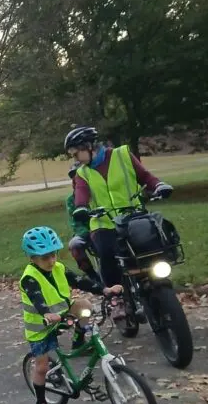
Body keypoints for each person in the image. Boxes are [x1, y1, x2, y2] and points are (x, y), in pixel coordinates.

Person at [64, 127, 173, 318]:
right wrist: (81, 208)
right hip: (102, 223)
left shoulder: (123, 155)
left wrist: (159, 185)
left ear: (88, 146)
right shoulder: (82, 173)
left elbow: (145, 177)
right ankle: (117, 299)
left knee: (153, 243)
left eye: (76, 153)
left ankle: (156, 282)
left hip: (133, 216)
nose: (76, 159)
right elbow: (81, 193)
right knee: (106, 253)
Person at [19, 226, 122, 404]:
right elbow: (37, 298)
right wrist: (46, 313)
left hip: (62, 314)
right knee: (41, 367)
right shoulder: (29, 278)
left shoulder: (58, 268)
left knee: (85, 305)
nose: (51, 261)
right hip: (41, 327)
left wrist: (105, 289)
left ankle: (78, 340)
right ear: (32, 258)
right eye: (44, 258)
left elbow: (80, 281)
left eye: (53, 255)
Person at [65, 163, 102, 285]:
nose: (76, 179)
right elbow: (75, 222)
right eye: (73, 177)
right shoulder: (71, 200)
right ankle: (93, 276)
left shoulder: (98, 192)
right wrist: (87, 233)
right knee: (74, 245)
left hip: (104, 226)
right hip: (86, 232)